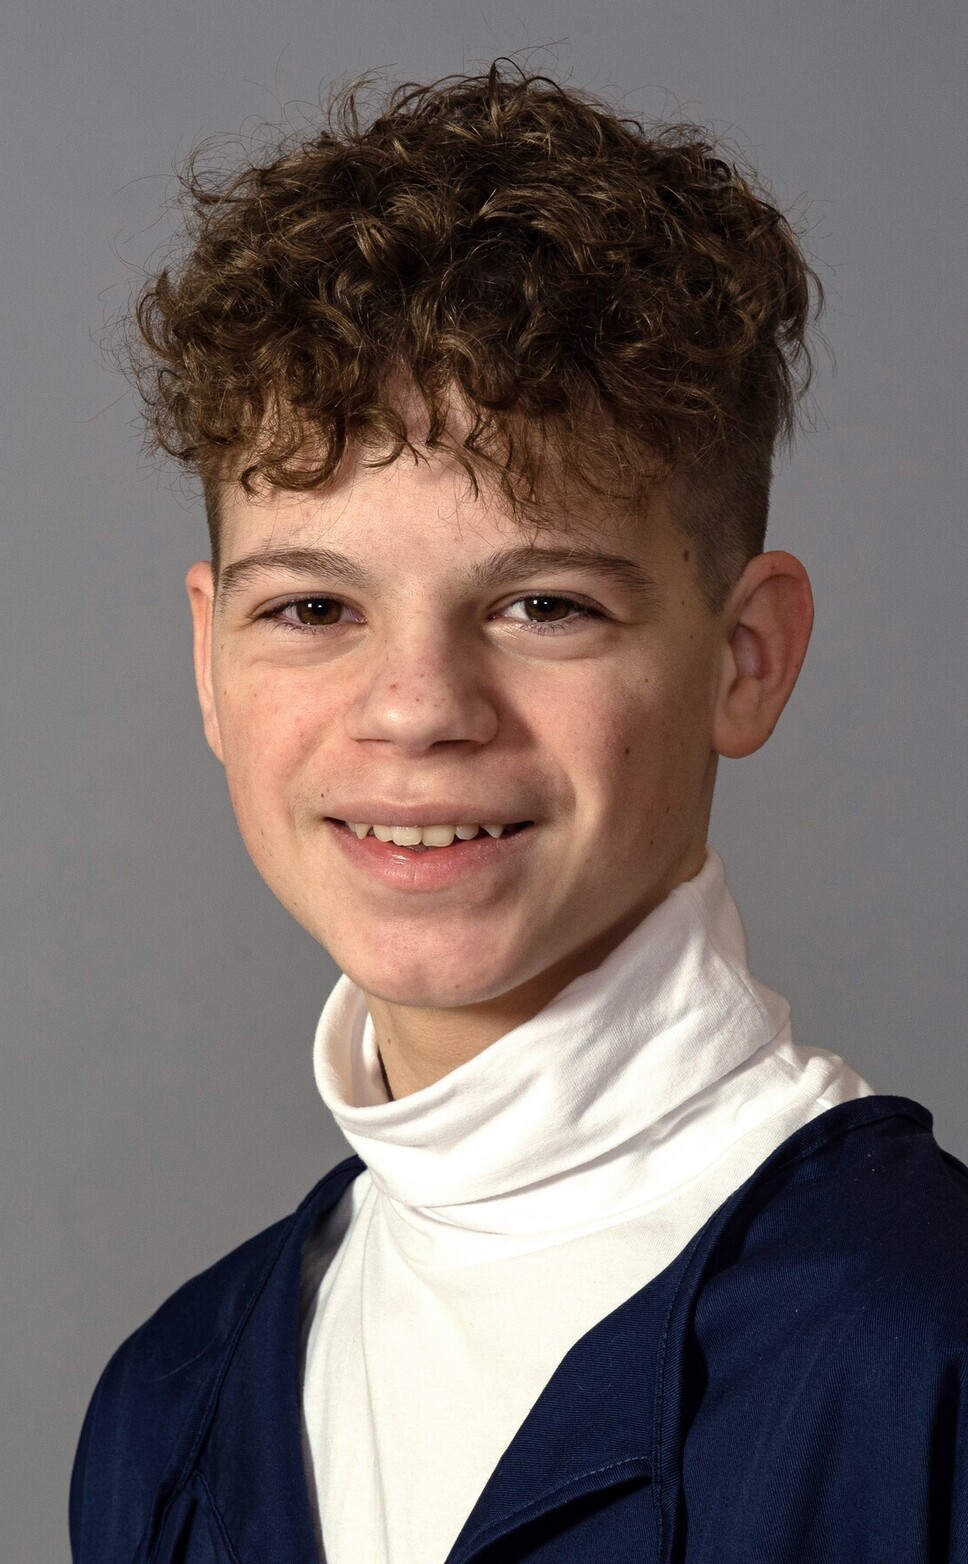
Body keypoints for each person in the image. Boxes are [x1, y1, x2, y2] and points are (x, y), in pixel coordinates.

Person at [69, 60, 968, 1564]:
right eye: (312, 608)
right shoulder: (170, 1413)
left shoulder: (925, 1353)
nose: (417, 707)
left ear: (745, 658)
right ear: (211, 660)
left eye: (544, 604)